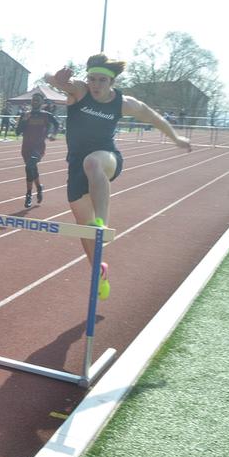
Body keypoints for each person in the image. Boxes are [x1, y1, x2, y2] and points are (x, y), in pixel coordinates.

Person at [45, 54, 191, 300]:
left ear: (112, 81)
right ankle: (99, 272)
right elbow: (50, 79)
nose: (96, 85)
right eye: (92, 78)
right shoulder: (80, 91)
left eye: (102, 80)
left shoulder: (123, 103)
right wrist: (54, 77)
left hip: (107, 158)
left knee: (92, 163)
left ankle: (102, 222)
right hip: (75, 167)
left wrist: (176, 138)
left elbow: (153, 116)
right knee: (85, 233)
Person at [15, 92, 59, 208]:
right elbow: (17, 132)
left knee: (30, 166)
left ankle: (28, 195)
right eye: (33, 99)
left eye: (37, 100)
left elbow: (56, 124)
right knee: (31, 169)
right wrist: (24, 120)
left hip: (38, 147)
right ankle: (39, 187)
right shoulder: (25, 114)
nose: (35, 101)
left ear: (42, 102)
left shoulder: (47, 115)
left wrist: (53, 134)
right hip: (26, 148)